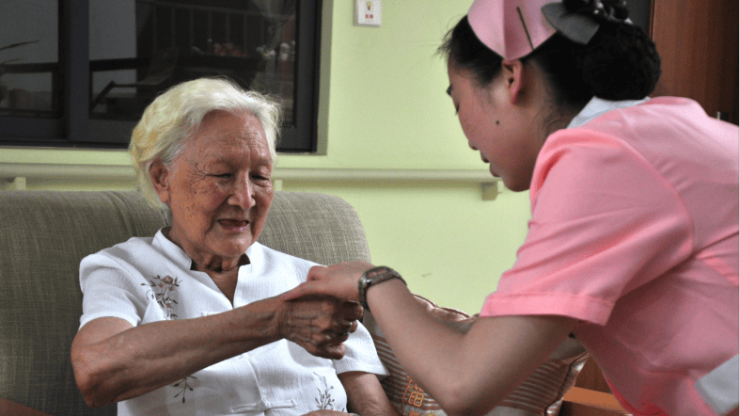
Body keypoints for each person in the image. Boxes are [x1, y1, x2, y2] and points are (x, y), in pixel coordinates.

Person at [282, 1, 740, 415]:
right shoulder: (663, 129)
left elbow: (464, 384)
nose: (466, 136)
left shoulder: (604, 159)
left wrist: (372, 281)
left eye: (458, 102)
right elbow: (502, 351)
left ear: (511, 77)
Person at [70, 78, 397, 416]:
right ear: (161, 179)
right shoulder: (123, 270)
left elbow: (374, 406)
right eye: (222, 174)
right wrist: (276, 319)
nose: (245, 198)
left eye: (259, 176)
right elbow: (96, 373)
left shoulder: (311, 280)